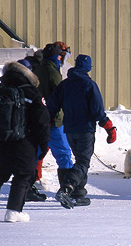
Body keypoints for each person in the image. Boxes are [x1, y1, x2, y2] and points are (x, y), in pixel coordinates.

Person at [47, 54, 117, 209]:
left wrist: (48, 121)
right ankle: (67, 188)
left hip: (70, 130)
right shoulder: (89, 84)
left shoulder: (64, 85)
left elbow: (52, 106)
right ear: (88, 68)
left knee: (80, 160)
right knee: (83, 162)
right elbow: (98, 110)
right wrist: (109, 128)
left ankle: (78, 194)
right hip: (85, 130)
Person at [0, 61, 50, 222]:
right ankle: (14, 211)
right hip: (25, 142)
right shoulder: (31, 93)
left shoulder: (2, 91)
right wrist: (43, 145)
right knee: (23, 175)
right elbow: (42, 121)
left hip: (2, 140)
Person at [33, 43, 73, 198]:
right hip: (54, 121)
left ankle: (29, 186)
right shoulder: (52, 72)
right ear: (56, 57)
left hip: (38, 120)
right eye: (60, 56)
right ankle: (67, 188)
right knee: (64, 154)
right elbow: (60, 94)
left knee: (36, 153)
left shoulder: (37, 70)